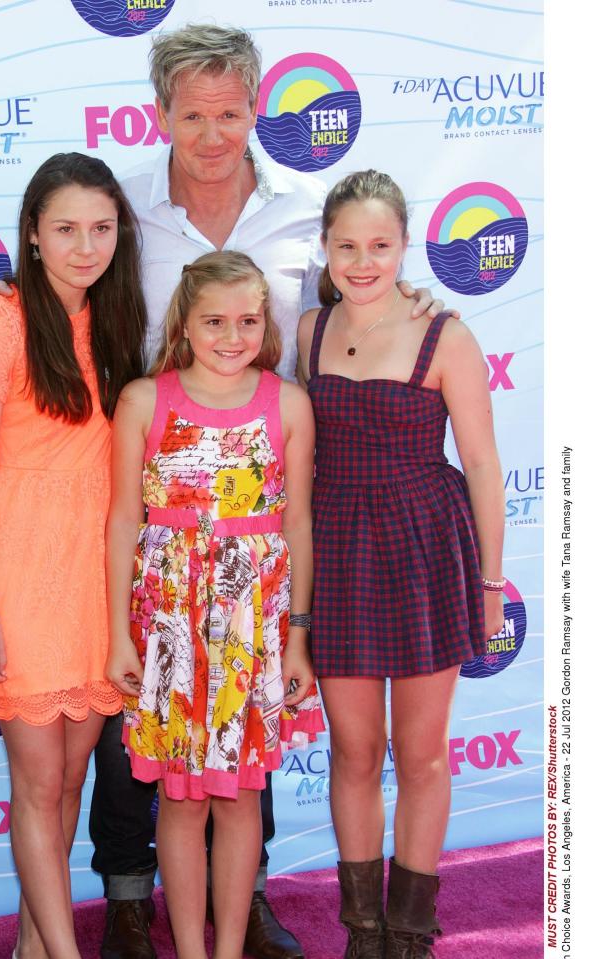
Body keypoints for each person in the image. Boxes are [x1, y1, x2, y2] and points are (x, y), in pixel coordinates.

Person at [0, 24, 447, 959]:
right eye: (193, 114)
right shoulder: (124, 207)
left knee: (236, 749)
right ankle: (130, 900)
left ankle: (245, 904)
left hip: (263, 518)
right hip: (136, 516)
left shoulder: (309, 212)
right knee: (124, 737)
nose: (213, 132)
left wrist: (411, 299)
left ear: (257, 109)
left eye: (230, 112)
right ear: (162, 116)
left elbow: (359, 292)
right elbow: (63, 288)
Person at [295, 170, 504, 959]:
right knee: (354, 751)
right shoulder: (307, 330)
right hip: (340, 550)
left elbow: (483, 465)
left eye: (380, 245)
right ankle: (364, 930)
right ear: (324, 246)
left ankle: (411, 934)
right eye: (346, 244)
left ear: (405, 247)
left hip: (423, 551)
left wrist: (490, 582)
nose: (362, 259)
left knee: (420, 753)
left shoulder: (445, 332)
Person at [0, 152, 147, 959]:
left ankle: (35, 946)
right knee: (37, 785)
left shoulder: (116, 320)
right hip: (20, 582)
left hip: (92, 585)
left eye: (101, 228)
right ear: (32, 234)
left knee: (69, 781)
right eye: (65, 228)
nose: (85, 245)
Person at [105, 252, 324, 959]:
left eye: (249, 321)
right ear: (185, 322)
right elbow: (120, 523)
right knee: (181, 797)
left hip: (252, 632)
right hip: (169, 629)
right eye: (215, 321)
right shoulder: (145, 400)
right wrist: (119, 636)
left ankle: (229, 948)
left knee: (238, 797)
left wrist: (295, 638)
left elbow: (296, 528)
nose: (233, 336)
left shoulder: (287, 403)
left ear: (267, 324)